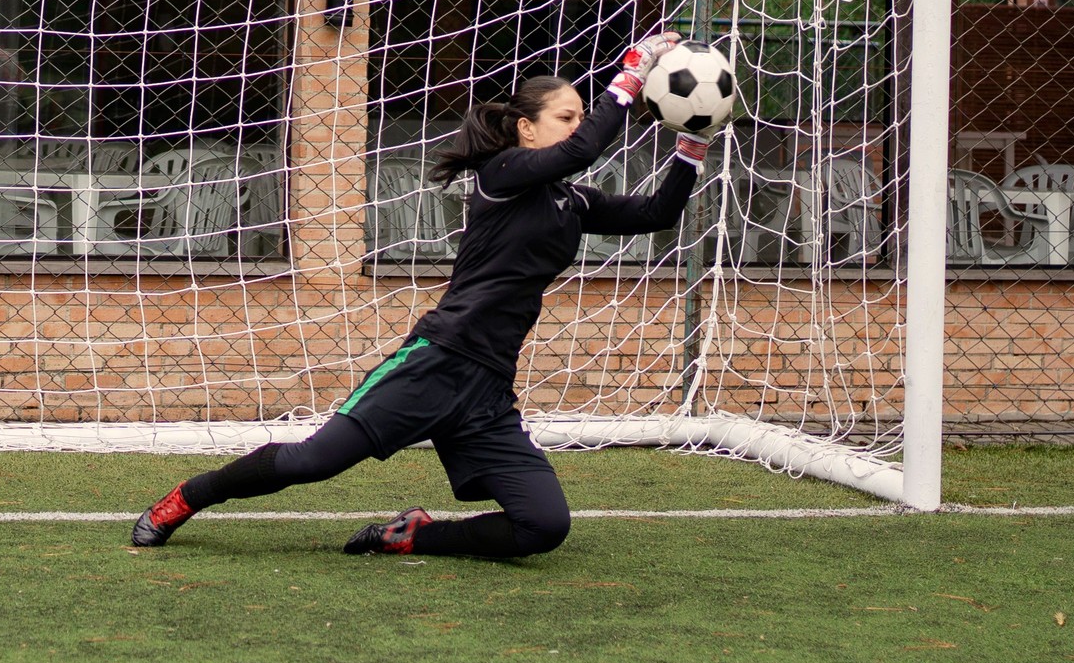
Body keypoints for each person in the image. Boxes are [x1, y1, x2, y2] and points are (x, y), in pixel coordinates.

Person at [130, 30, 713, 560]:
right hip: (435, 362)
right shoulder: (502, 175)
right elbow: (583, 150)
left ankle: (410, 534)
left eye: (580, 116)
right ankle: (183, 499)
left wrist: (692, 146)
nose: (576, 126)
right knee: (314, 462)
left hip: (486, 386)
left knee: (542, 527)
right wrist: (632, 72)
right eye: (566, 117)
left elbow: (654, 212)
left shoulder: (572, 201)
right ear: (526, 128)